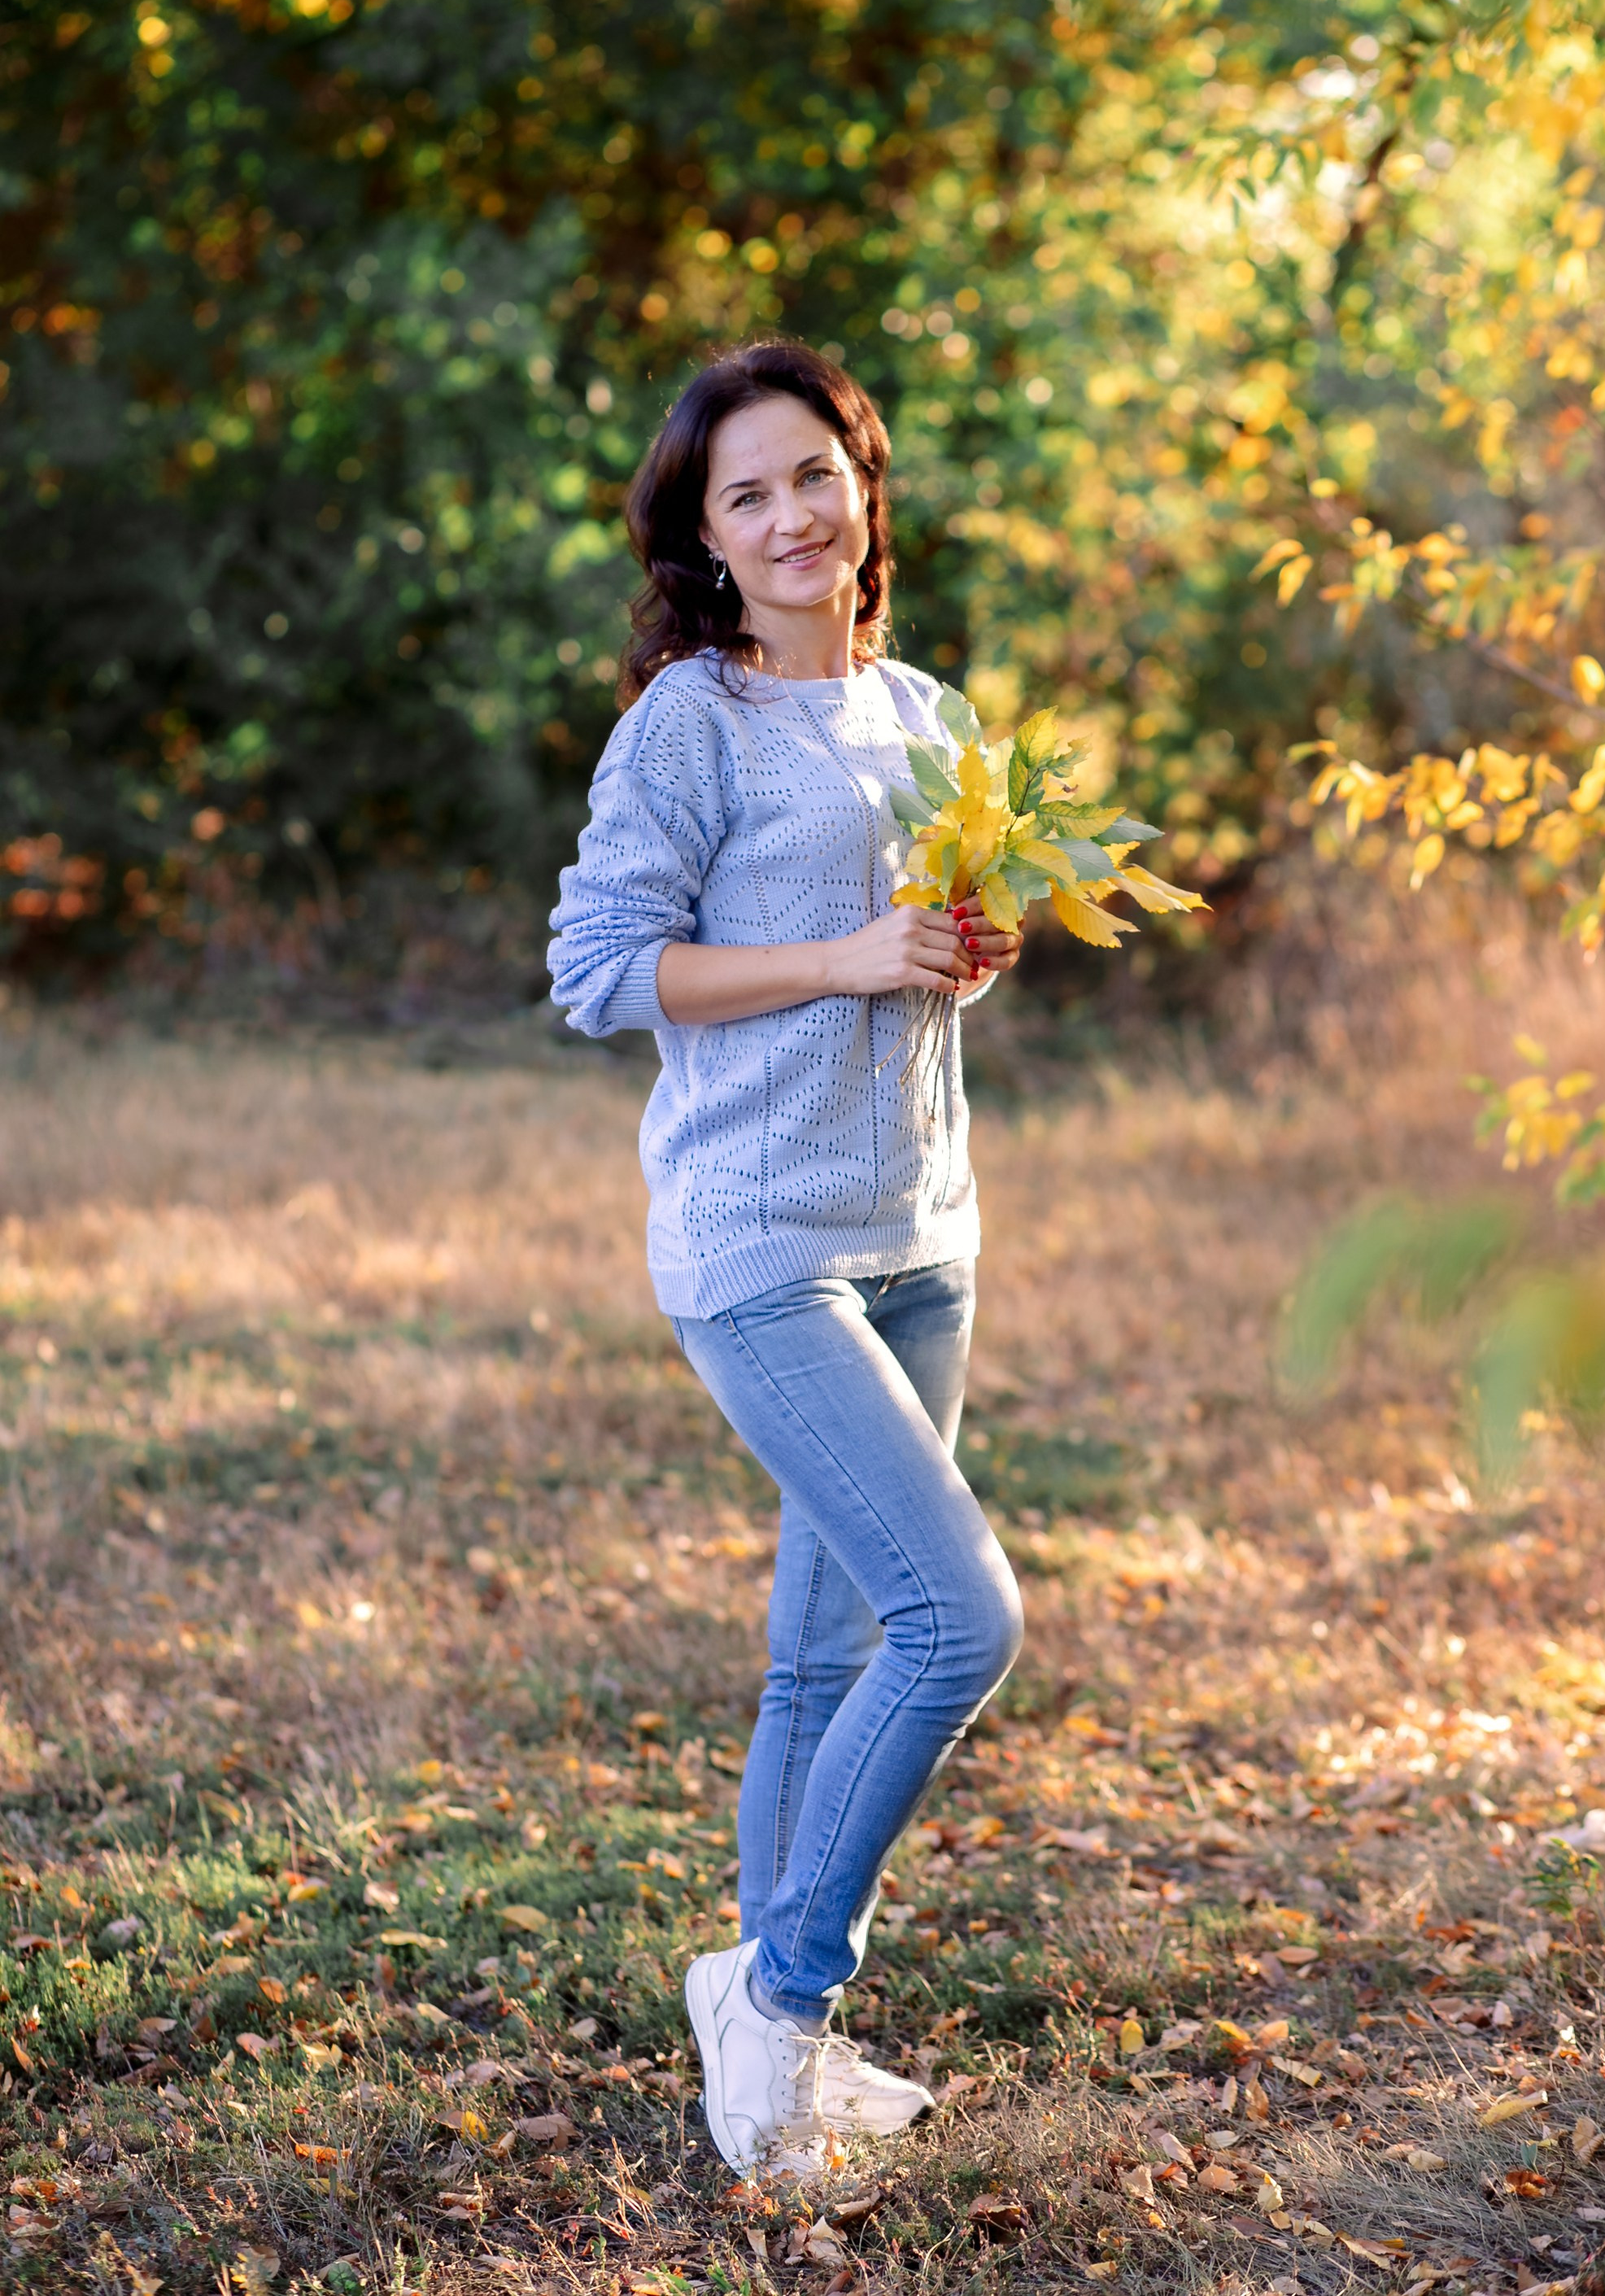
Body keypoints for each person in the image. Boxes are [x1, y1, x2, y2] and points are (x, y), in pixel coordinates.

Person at [547, 340, 1025, 2176]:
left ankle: (773, 2066)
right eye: (746, 494)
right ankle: (780, 1989)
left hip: (922, 1232)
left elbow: (928, 950)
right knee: (959, 1617)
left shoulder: (931, 713)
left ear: (862, 486)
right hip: (758, 1241)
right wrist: (844, 958)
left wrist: (963, 949)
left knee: (823, 1662)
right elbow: (601, 970)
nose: (791, 514)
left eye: (814, 472)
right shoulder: (692, 722)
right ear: (710, 541)